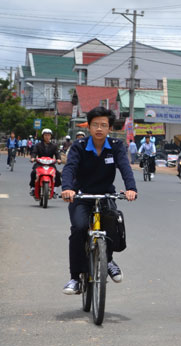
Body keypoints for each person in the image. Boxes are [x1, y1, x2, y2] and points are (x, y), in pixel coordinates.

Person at [61, 106, 137, 294]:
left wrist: (131, 189)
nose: (99, 129)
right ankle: (75, 277)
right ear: (89, 126)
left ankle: (108, 260)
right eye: (95, 124)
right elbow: (70, 168)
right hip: (81, 196)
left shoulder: (117, 146)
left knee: (112, 224)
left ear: (110, 128)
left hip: (105, 195)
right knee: (79, 229)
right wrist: (68, 189)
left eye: (104, 125)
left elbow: (125, 167)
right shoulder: (79, 146)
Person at [29, 128, 62, 195]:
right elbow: (34, 152)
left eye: (49, 135)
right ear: (43, 136)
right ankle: (33, 188)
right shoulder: (38, 145)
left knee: (57, 174)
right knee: (33, 172)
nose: (47, 137)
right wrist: (33, 158)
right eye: (46, 135)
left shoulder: (54, 146)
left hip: (50, 164)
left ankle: (55, 190)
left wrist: (59, 159)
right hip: (40, 163)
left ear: (51, 136)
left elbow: (57, 154)